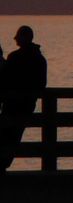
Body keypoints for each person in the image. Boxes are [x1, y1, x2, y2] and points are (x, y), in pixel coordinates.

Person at [0, 25, 48, 170]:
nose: (16, 40)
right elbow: (42, 84)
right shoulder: (40, 59)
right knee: (14, 138)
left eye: (18, 37)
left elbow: (5, 80)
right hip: (27, 106)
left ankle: (2, 166)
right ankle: (4, 165)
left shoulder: (14, 57)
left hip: (11, 105)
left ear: (22, 39)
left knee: (5, 137)